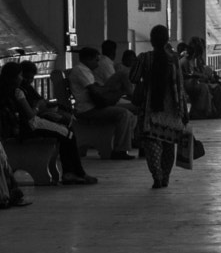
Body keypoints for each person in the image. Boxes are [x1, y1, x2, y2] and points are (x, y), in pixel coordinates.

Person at [0, 61, 96, 185]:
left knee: (67, 132)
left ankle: (72, 172)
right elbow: (31, 115)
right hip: (29, 127)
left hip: (20, 127)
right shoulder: (18, 93)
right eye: (20, 75)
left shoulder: (2, 91)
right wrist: (38, 107)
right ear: (13, 77)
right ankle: (75, 173)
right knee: (68, 134)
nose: (22, 79)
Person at [129, 25, 187, 189]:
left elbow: (133, 77)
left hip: (151, 109)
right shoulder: (173, 59)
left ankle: (157, 176)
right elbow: (180, 86)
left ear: (151, 40)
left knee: (152, 145)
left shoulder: (144, 58)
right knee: (168, 145)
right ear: (167, 40)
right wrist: (183, 111)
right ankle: (166, 176)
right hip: (171, 110)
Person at [67, 46, 137, 159]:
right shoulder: (80, 70)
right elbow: (94, 92)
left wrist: (110, 90)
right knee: (124, 114)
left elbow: (96, 89)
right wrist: (115, 92)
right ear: (87, 59)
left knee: (123, 77)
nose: (98, 63)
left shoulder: (86, 70)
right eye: (96, 60)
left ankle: (133, 97)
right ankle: (120, 150)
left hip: (93, 105)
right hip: (88, 109)